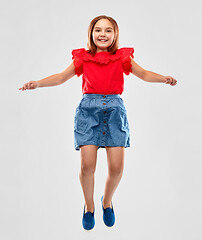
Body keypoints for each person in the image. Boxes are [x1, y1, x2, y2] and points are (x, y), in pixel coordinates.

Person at [19, 15, 177, 231]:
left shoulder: (123, 58)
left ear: (115, 34)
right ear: (91, 34)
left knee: (117, 168)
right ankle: (89, 206)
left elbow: (144, 73)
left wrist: (163, 78)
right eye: (98, 30)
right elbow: (60, 77)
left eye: (108, 30)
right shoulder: (83, 58)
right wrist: (37, 83)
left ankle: (106, 201)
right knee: (87, 166)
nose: (103, 34)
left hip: (114, 111)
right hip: (88, 112)